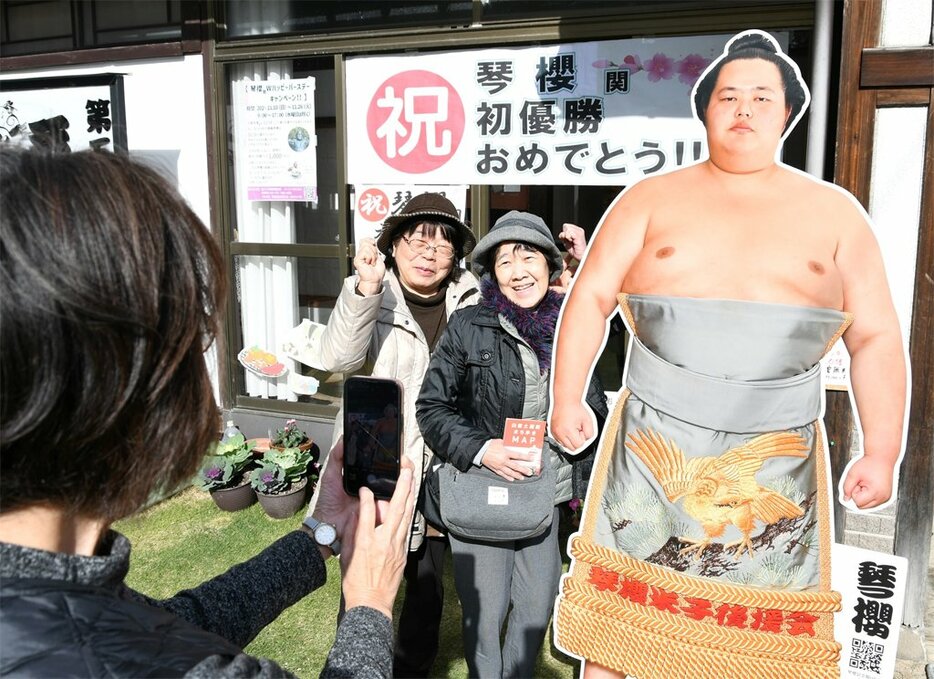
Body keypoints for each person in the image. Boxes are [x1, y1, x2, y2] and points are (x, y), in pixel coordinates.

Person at [548, 30, 908, 678]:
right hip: (652, 446)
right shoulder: (646, 200)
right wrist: (566, 394)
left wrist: (882, 449)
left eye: (761, 97)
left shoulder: (837, 215)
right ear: (705, 109)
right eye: (729, 95)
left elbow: (877, 335)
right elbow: (591, 295)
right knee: (618, 640)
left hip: (775, 460)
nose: (743, 108)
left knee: (761, 653)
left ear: (786, 114)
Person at [0, 147, 415, 678]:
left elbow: (166, 623)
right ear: (130, 384)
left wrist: (320, 535)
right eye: (192, 337)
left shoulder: (54, 595)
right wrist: (370, 606)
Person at [417, 211, 608, 679]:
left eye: (529, 256)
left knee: (534, 612)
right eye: (505, 261)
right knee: (484, 618)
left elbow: (596, 402)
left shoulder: (574, 327)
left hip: (547, 493)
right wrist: (485, 450)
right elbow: (431, 408)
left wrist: (584, 426)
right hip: (484, 491)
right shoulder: (468, 325)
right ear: (492, 273)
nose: (519, 270)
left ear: (550, 264)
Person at [303, 192, 479, 677]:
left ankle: (413, 669)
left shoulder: (471, 301)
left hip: (440, 464)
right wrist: (364, 289)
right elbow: (337, 358)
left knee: (426, 585)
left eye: (444, 246)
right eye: (419, 240)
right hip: (376, 462)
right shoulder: (370, 290)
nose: (430, 254)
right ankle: (352, 666)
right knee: (362, 581)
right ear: (394, 245)